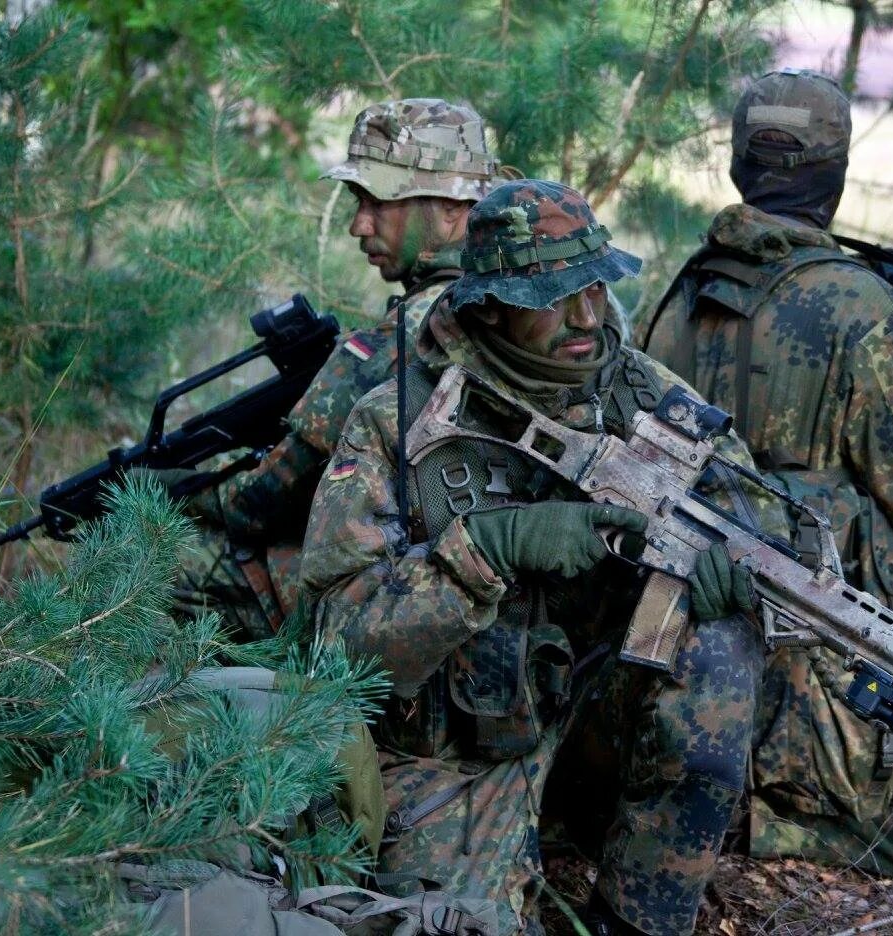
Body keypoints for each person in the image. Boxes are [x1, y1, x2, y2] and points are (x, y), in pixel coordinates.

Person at [301, 179, 779, 936]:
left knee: (718, 650)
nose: (586, 316)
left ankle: (637, 919)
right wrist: (486, 552)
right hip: (455, 760)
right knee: (446, 924)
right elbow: (334, 648)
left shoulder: (660, 409)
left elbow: (767, 539)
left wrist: (733, 583)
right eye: (553, 296)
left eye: (594, 287)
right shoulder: (397, 420)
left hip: (602, 737)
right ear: (489, 303)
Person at [642, 69, 893, 881]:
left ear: (742, 165)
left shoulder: (675, 297)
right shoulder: (855, 309)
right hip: (829, 664)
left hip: (686, 657)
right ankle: (772, 832)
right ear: (836, 171)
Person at [174, 98, 498, 640]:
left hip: (413, 605)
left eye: (378, 201)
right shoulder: (540, 304)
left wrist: (173, 488)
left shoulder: (412, 329)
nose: (357, 225)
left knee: (171, 565)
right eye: (356, 200)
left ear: (451, 206)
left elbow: (261, 503)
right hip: (493, 587)